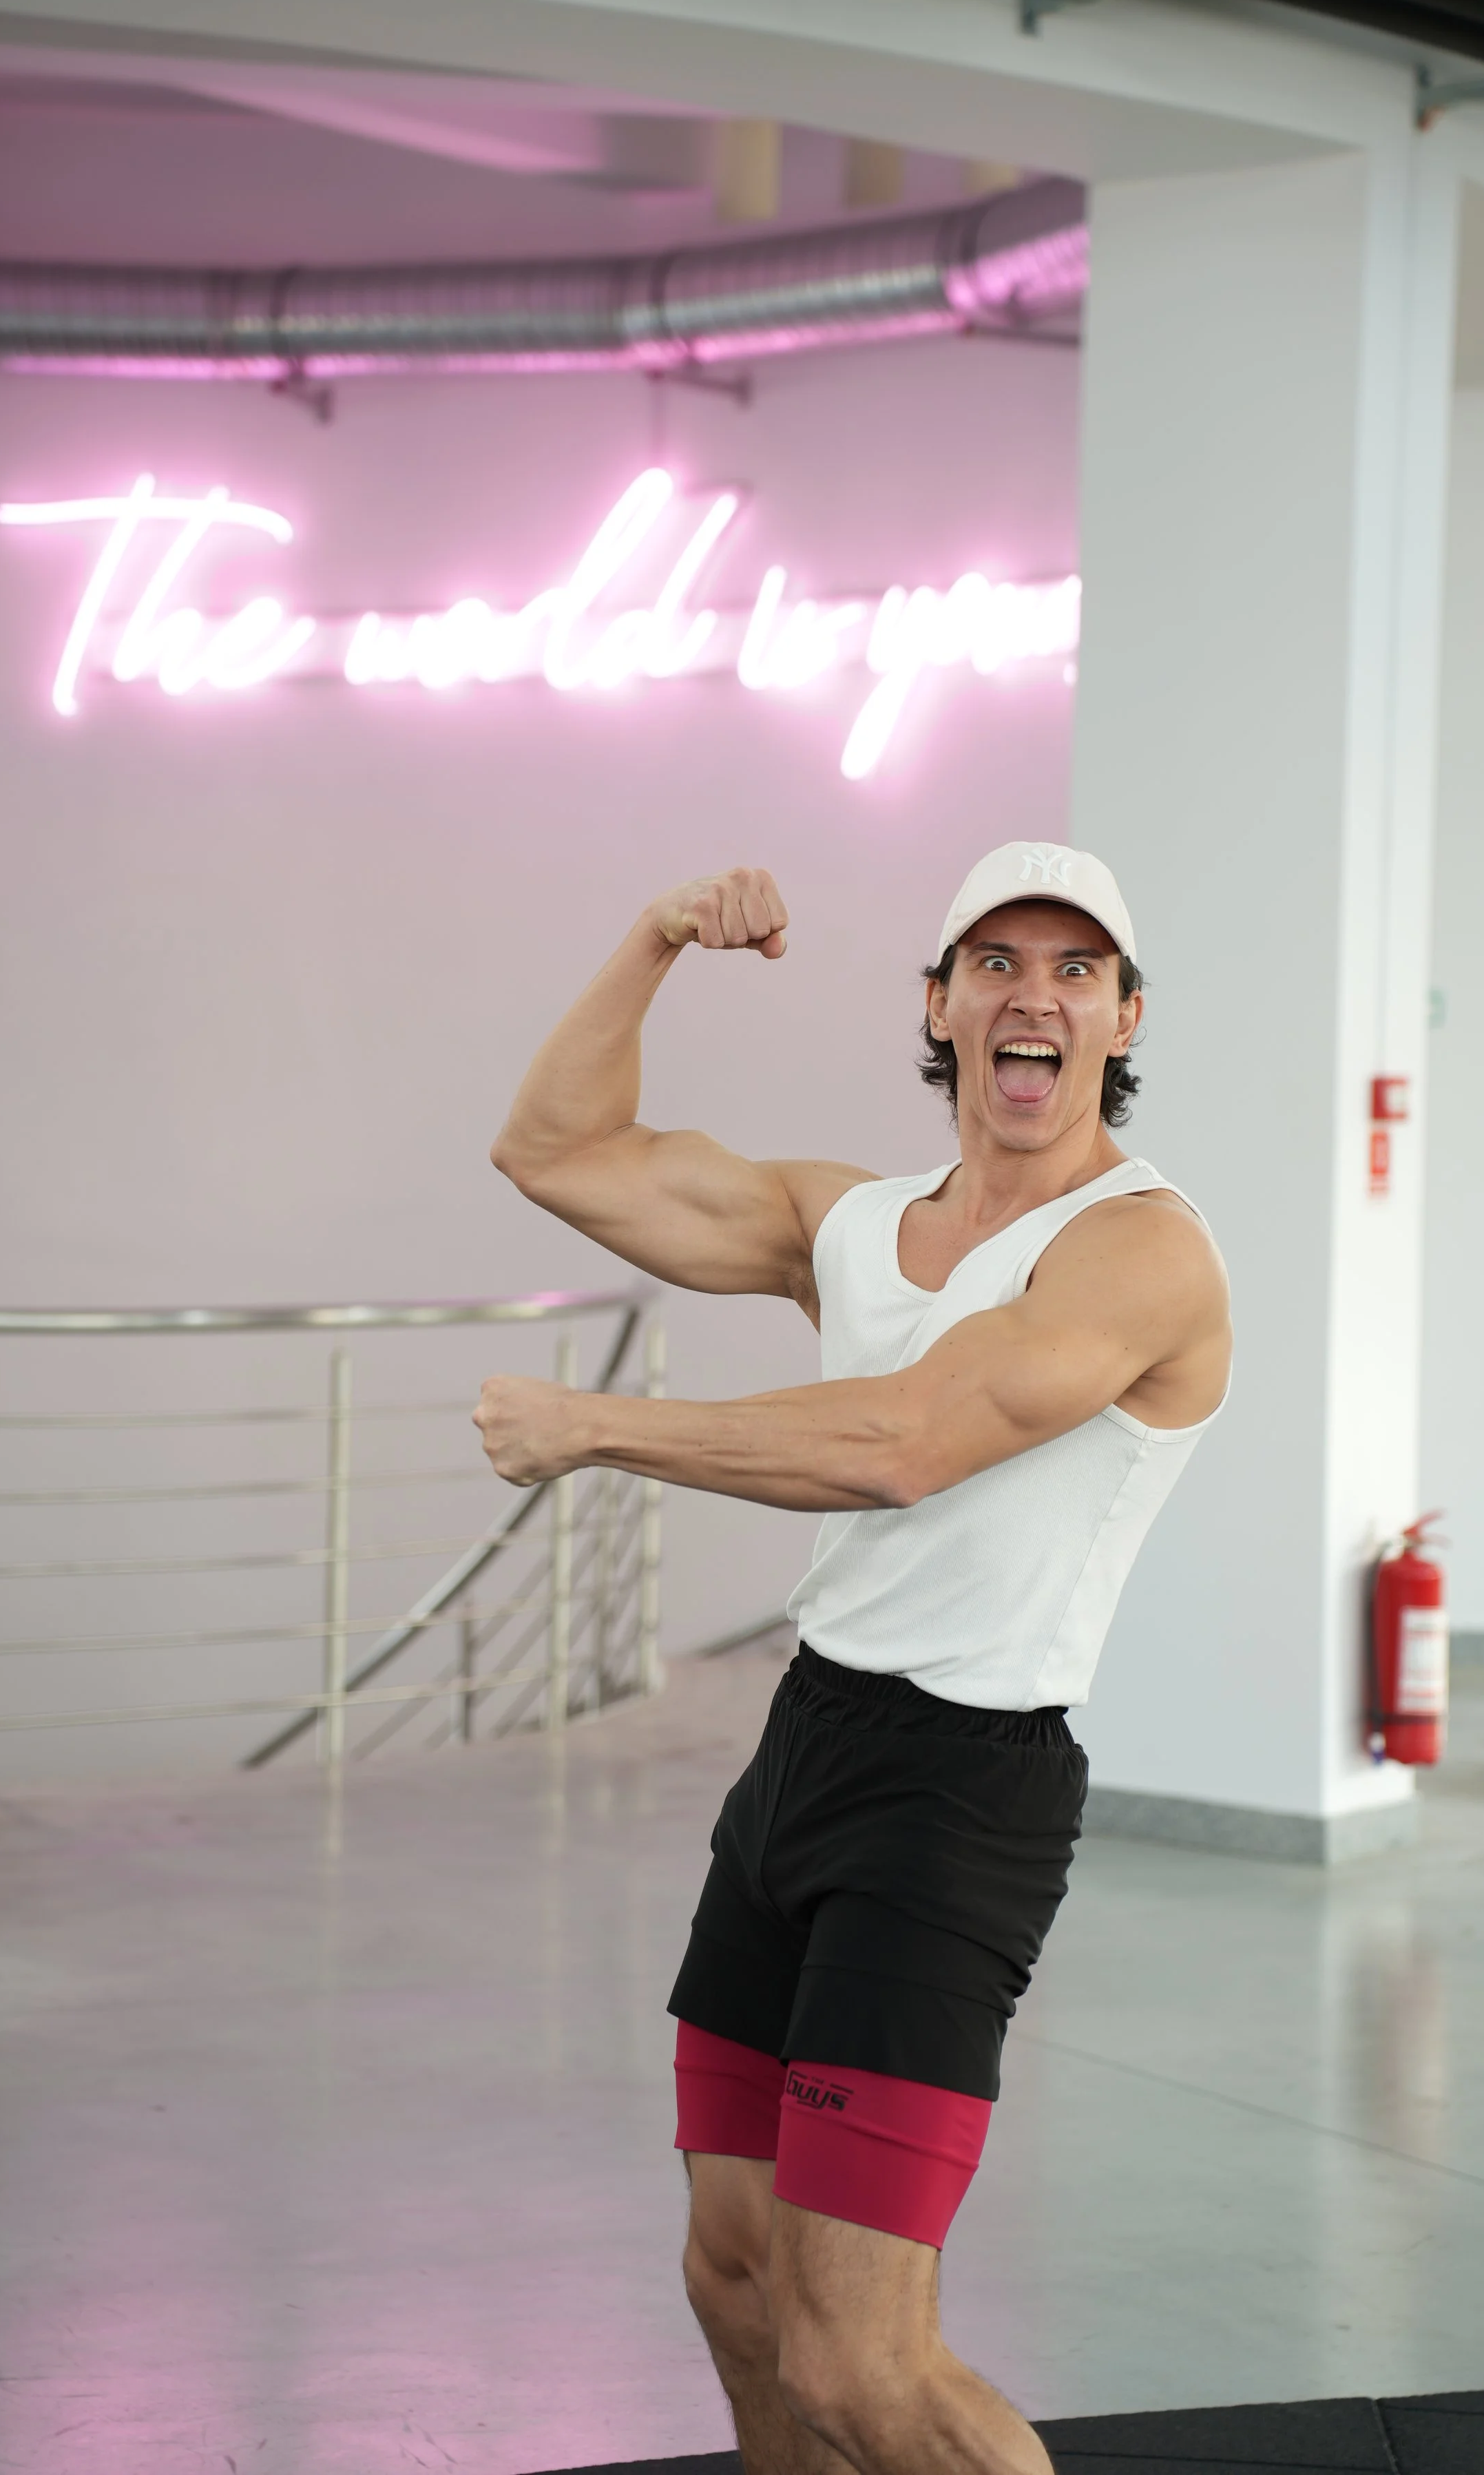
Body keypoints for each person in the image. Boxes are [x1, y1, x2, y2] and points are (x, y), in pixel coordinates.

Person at [477, 846, 1231, 2475]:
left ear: (1123, 1018)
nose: (1035, 996)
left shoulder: (1138, 1249)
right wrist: (653, 933)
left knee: (859, 2367)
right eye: (997, 963)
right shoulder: (856, 1222)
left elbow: (904, 1443)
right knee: (735, 2278)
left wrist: (595, 1429)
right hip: (801, 1749)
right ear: (940, 1004)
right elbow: (553, 1152)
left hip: (957, 1795)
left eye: (1077, 970)